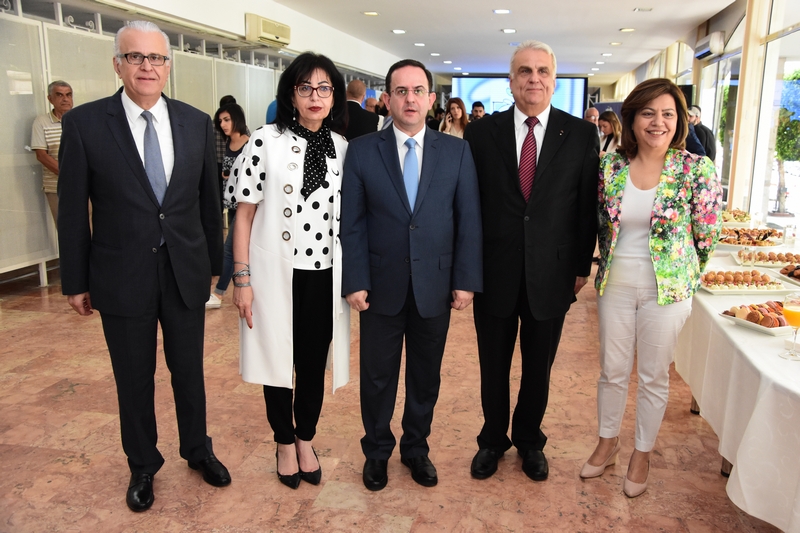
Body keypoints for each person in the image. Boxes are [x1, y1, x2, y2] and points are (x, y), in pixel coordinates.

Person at [57, 20, 230, 513]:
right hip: (120, 274)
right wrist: (75, 280)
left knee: (188, 371)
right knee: (133, 377)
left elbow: (207, 202)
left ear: (168, 66)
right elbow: (72, 209)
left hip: (184, 272)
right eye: (136, 57)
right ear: (118, 64)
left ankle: (197, 449)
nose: (147, 66)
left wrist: (213, 267)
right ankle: (143, 463)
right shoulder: (86, 124)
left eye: (156, 58)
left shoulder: (195, 122)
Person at [341, 59, 482, 492]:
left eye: (418, 91)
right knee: (377, 377)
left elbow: (468, 220)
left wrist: (465, 280)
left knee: (425, 376)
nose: (410, 99)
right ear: (387, 99)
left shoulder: (456, 152)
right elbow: (352, 222)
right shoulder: (362, 150)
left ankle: (416, 449)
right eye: (400, 91)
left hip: (434, 286)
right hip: (379, 285)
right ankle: (376, 452)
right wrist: (355, 279)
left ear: (431, 99)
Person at [464, 40, 599, 483]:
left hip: (552, 273)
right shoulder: (481, 134)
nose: (534, 79)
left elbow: (585, 207)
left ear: (554, 81)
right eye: (525, 71)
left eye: (543, 71)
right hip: (494, 270)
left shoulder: (580, 134)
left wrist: (581, 267)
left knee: (539, 367)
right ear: (511, 81)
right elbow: (469, 206)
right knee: (493, 366)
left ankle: (529, 440)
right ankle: (491, 440)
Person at [585, 78, 722, 497]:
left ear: (679, 120)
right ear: (631, 119)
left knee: (653, 375)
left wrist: (685, 276)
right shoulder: (610, 166)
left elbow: (707, 235)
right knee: (612, 370)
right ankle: (608, 441)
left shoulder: (695, 168)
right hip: (616, 284)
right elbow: (600, 224)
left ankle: (641, 452)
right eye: (648, 113)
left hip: (668, 291)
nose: (657, 122)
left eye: (667, 113)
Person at [231, 52, 350, 490]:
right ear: (291, 95)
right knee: (276, 360)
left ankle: (306, 439)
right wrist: (242, 279)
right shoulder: (265, 140)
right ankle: (283, 442)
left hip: (324, 275)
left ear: (334, 96)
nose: (315, 96)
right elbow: (244, 214)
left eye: (324, 88)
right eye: (305, 88)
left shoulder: (343, 148)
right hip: (274, 274)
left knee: (313, 364)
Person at [207, 103, 249, 308]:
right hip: (230, 203)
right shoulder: (227, 143)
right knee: (237, 249)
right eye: (221, 121)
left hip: (245, 205)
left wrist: (232, 175)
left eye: (227, 120)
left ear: (236, 119)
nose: (223, 124)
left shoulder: (249, 144)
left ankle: (218, 292)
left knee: (230, 249)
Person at [31, 80, 73, 223]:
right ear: (50, 99)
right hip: (56, 187)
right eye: (59, 95)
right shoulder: (41, 122)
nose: (65, 99)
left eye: (68, 95)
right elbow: (41, 156)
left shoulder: (81, 119)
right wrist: (69, 175)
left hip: (85, 186)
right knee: (65, 227)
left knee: (92, 227)